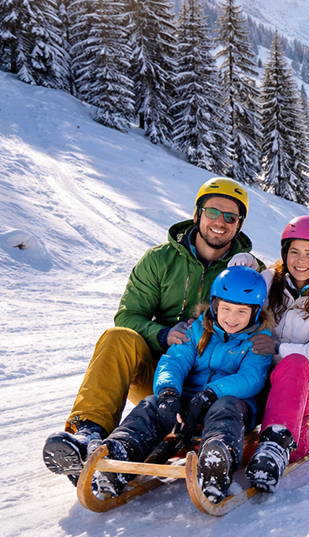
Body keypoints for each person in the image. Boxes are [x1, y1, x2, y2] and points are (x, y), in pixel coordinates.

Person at [42, 178, 262, 486]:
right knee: (117, 337)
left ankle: (220, 442)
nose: (220, 222)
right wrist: (163, 334)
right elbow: (128, 315)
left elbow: (271, 320)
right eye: (213, 211)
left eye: (230, 217)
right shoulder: (160, 260)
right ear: (197, 213)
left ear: (239, 225)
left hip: (219, 393)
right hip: (161, 381)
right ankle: (88, 433)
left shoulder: (248, 272)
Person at [89, 266, 272, 503]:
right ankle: (120, 452)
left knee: (225, 407)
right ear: (214, 305)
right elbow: (174, 361)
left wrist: (210, 393)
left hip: (232, 405)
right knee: (151, 405)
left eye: (241, 311)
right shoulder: (196, 330)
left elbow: (252, 378)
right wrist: (168, 392)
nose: (231, 317)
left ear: (255, 313)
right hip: (187, 402)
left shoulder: (259, 341)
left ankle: (217, 460)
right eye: (225, 308)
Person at [231, 215, 309, 493]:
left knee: (297, 361)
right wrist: (245, 263)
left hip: (302, 387)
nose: (301, 260)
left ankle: (280, 445)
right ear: (284, 253)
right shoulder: (270, 280)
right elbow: (238, 297)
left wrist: (277, 348)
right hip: (259, 379)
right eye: (294, 251)